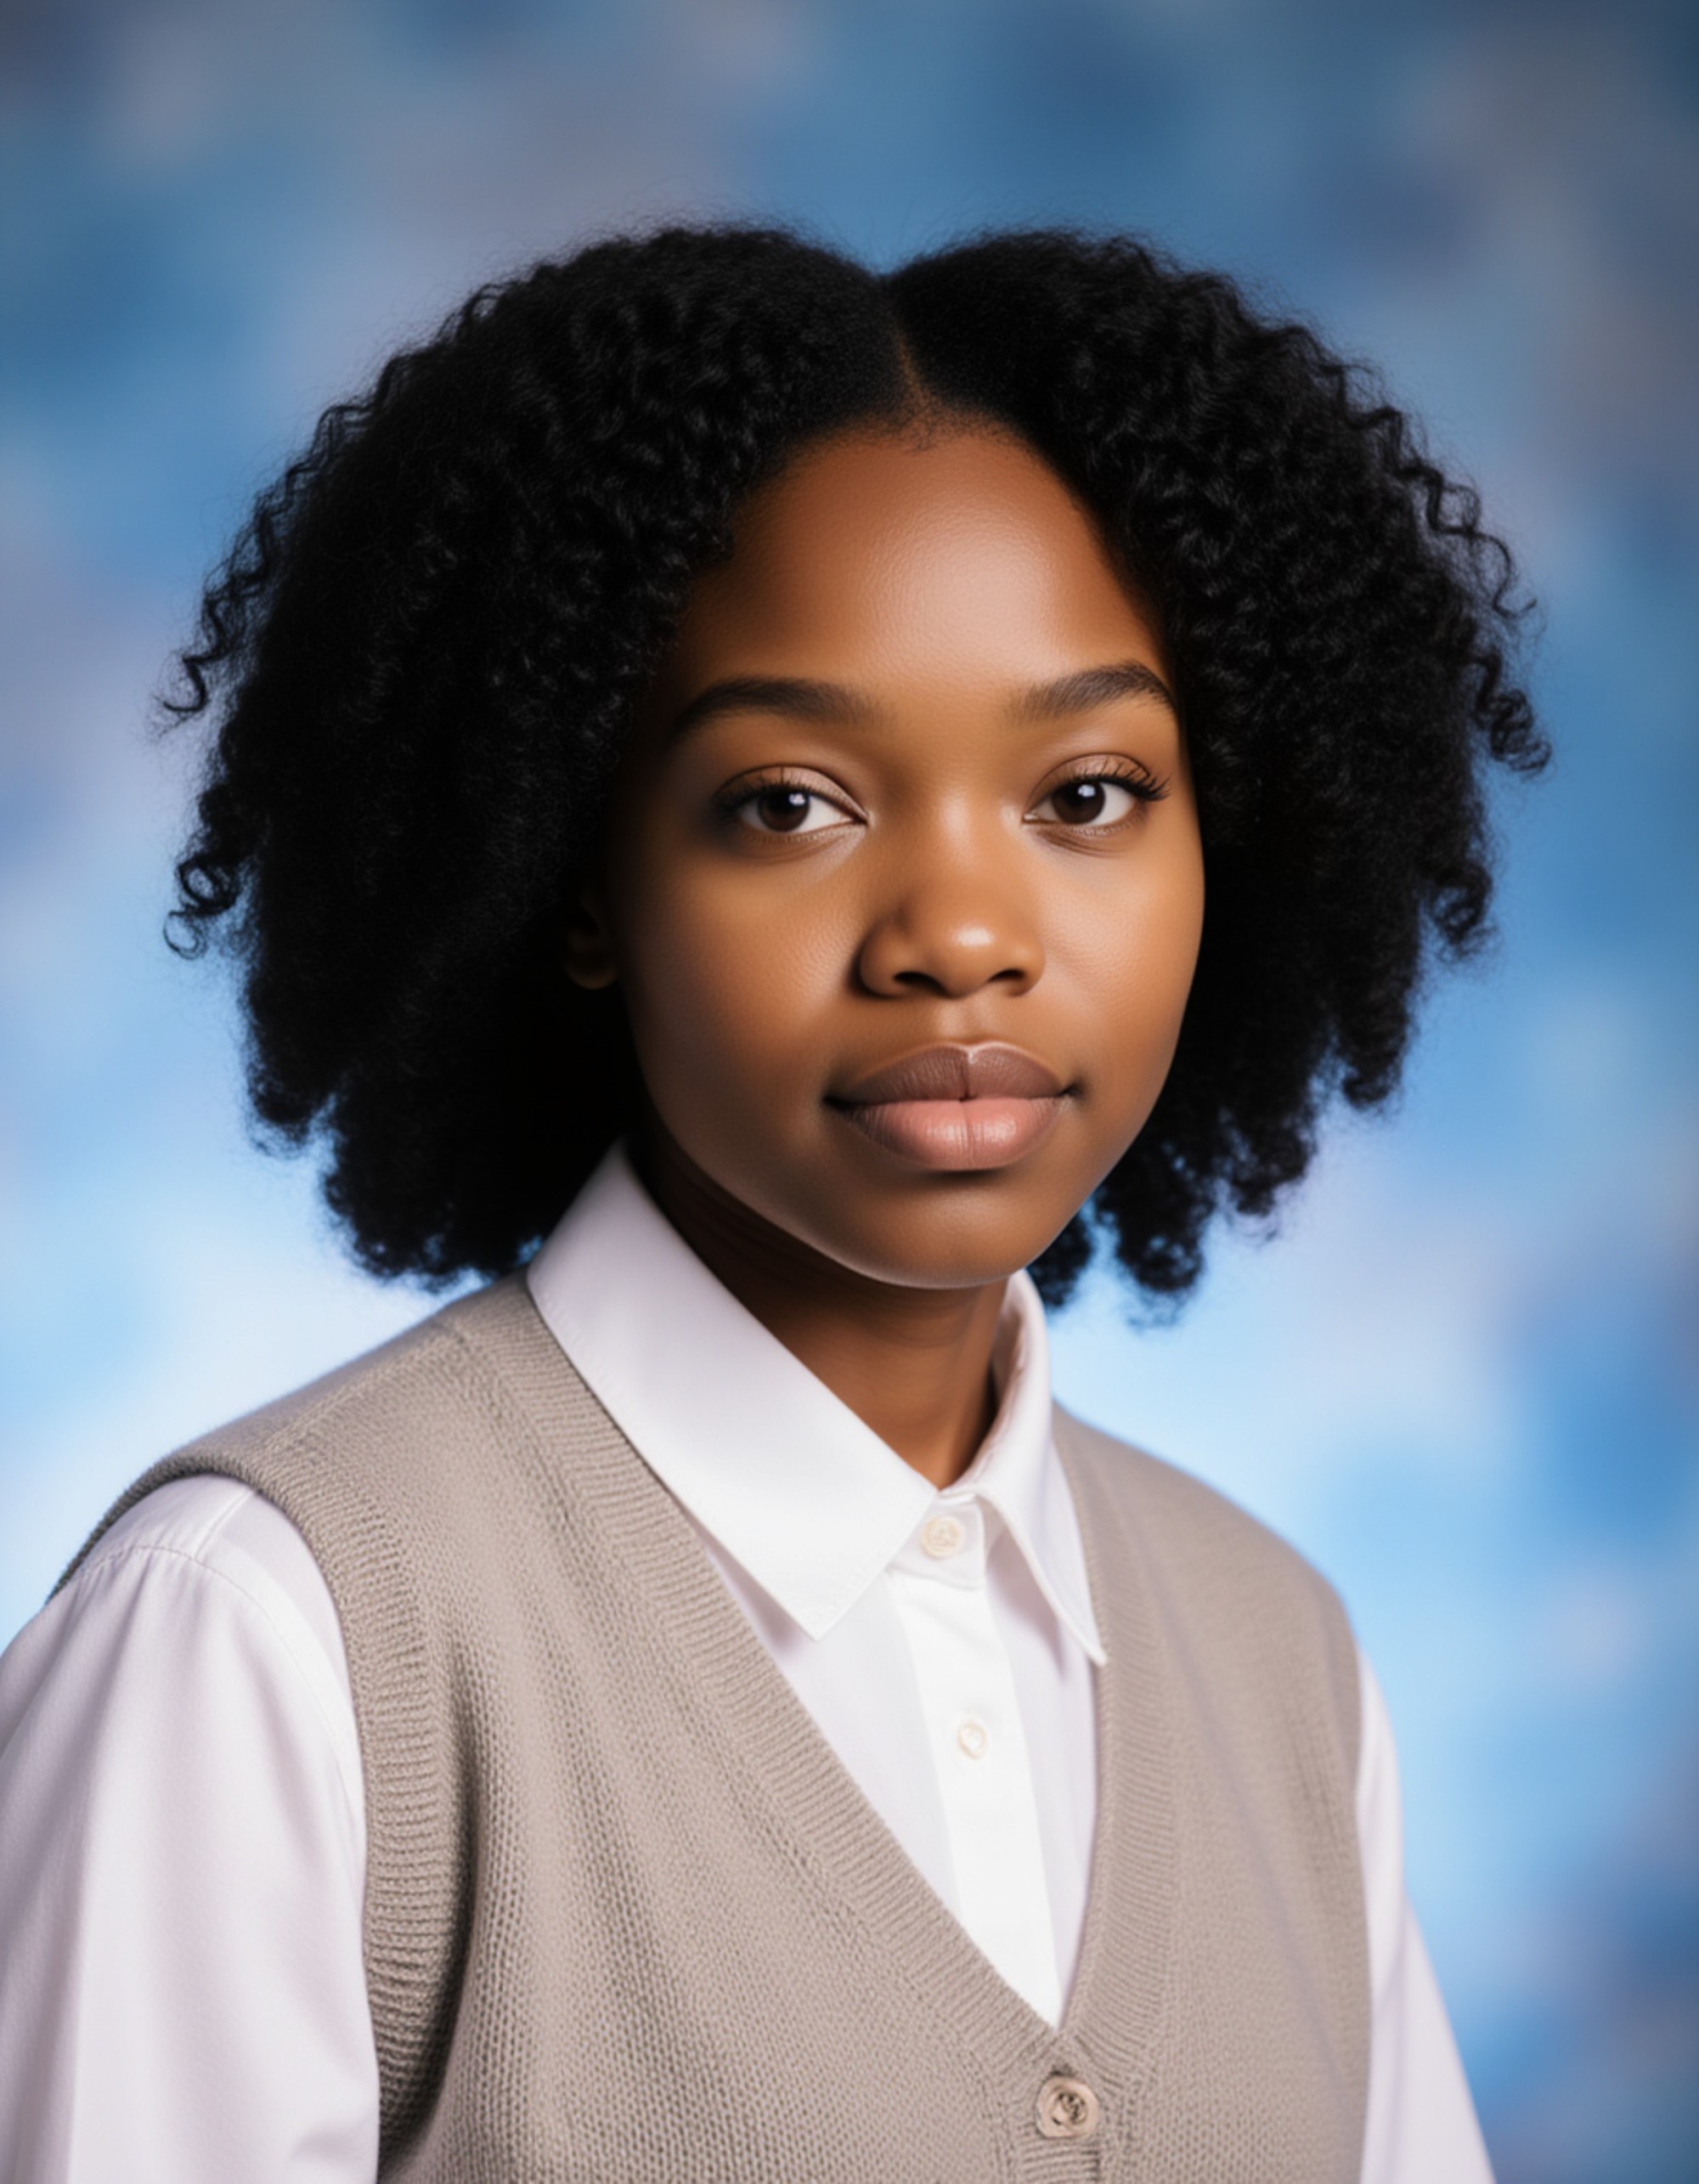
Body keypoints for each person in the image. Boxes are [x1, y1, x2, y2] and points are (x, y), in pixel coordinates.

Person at [0, 223, 1544, 2181]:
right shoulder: (264, 1637)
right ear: (574, 873)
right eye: (788, 801)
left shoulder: (1284, 1666)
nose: (962, 935)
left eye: (1083, 793)